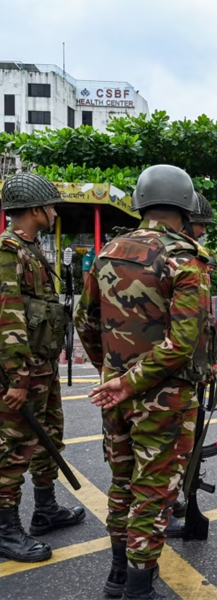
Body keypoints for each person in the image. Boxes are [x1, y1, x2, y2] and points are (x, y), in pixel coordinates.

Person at [74, 165, 209, 600]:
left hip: (116, 394)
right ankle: (137, 588)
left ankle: (117, 576)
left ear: (141, 202)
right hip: (164, 398)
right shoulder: (184, 258)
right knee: (152, 493)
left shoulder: (110, 250)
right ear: (186, 207)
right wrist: (132, 382)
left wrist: (112, 375)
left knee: (121, 483)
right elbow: (183, 342)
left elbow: (84, 320)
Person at [0, 173, 86, 563]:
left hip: (42, 367)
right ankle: (5, 530)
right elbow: (9, 316)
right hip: (21, 372)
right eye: (50, 206)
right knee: (14, 448)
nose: (54, 212)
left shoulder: (32, 249)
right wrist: (16, 378)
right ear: (34, 210)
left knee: (49, 438)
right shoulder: (8, 250)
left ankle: (45, 509)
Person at [165, 191, 217, 539]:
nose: (201, 233)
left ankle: (169, 503)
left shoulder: (121, 252)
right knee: (164, 457)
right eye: (199, 225)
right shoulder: (183, 261)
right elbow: (186, 331)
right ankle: (162, 512)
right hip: (174, 377)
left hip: (176, 372)